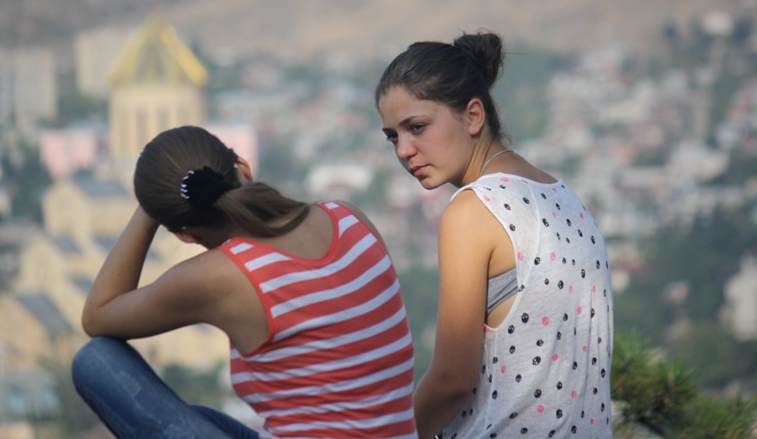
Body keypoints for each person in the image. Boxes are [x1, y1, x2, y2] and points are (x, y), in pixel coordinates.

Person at [71, 125, 417, 439]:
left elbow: (97, 317)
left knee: (95, 361)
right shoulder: (348, 217)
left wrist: (148, 213)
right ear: (244, 168)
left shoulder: (223, 274)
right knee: (200, 417)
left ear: (186, 235)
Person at [375, 32, 613, 438]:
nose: (403, 150)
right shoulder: (564, 197)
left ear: (473, 116)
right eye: (393, 136)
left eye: (417, 127)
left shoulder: (474, 209)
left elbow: (453, 380)